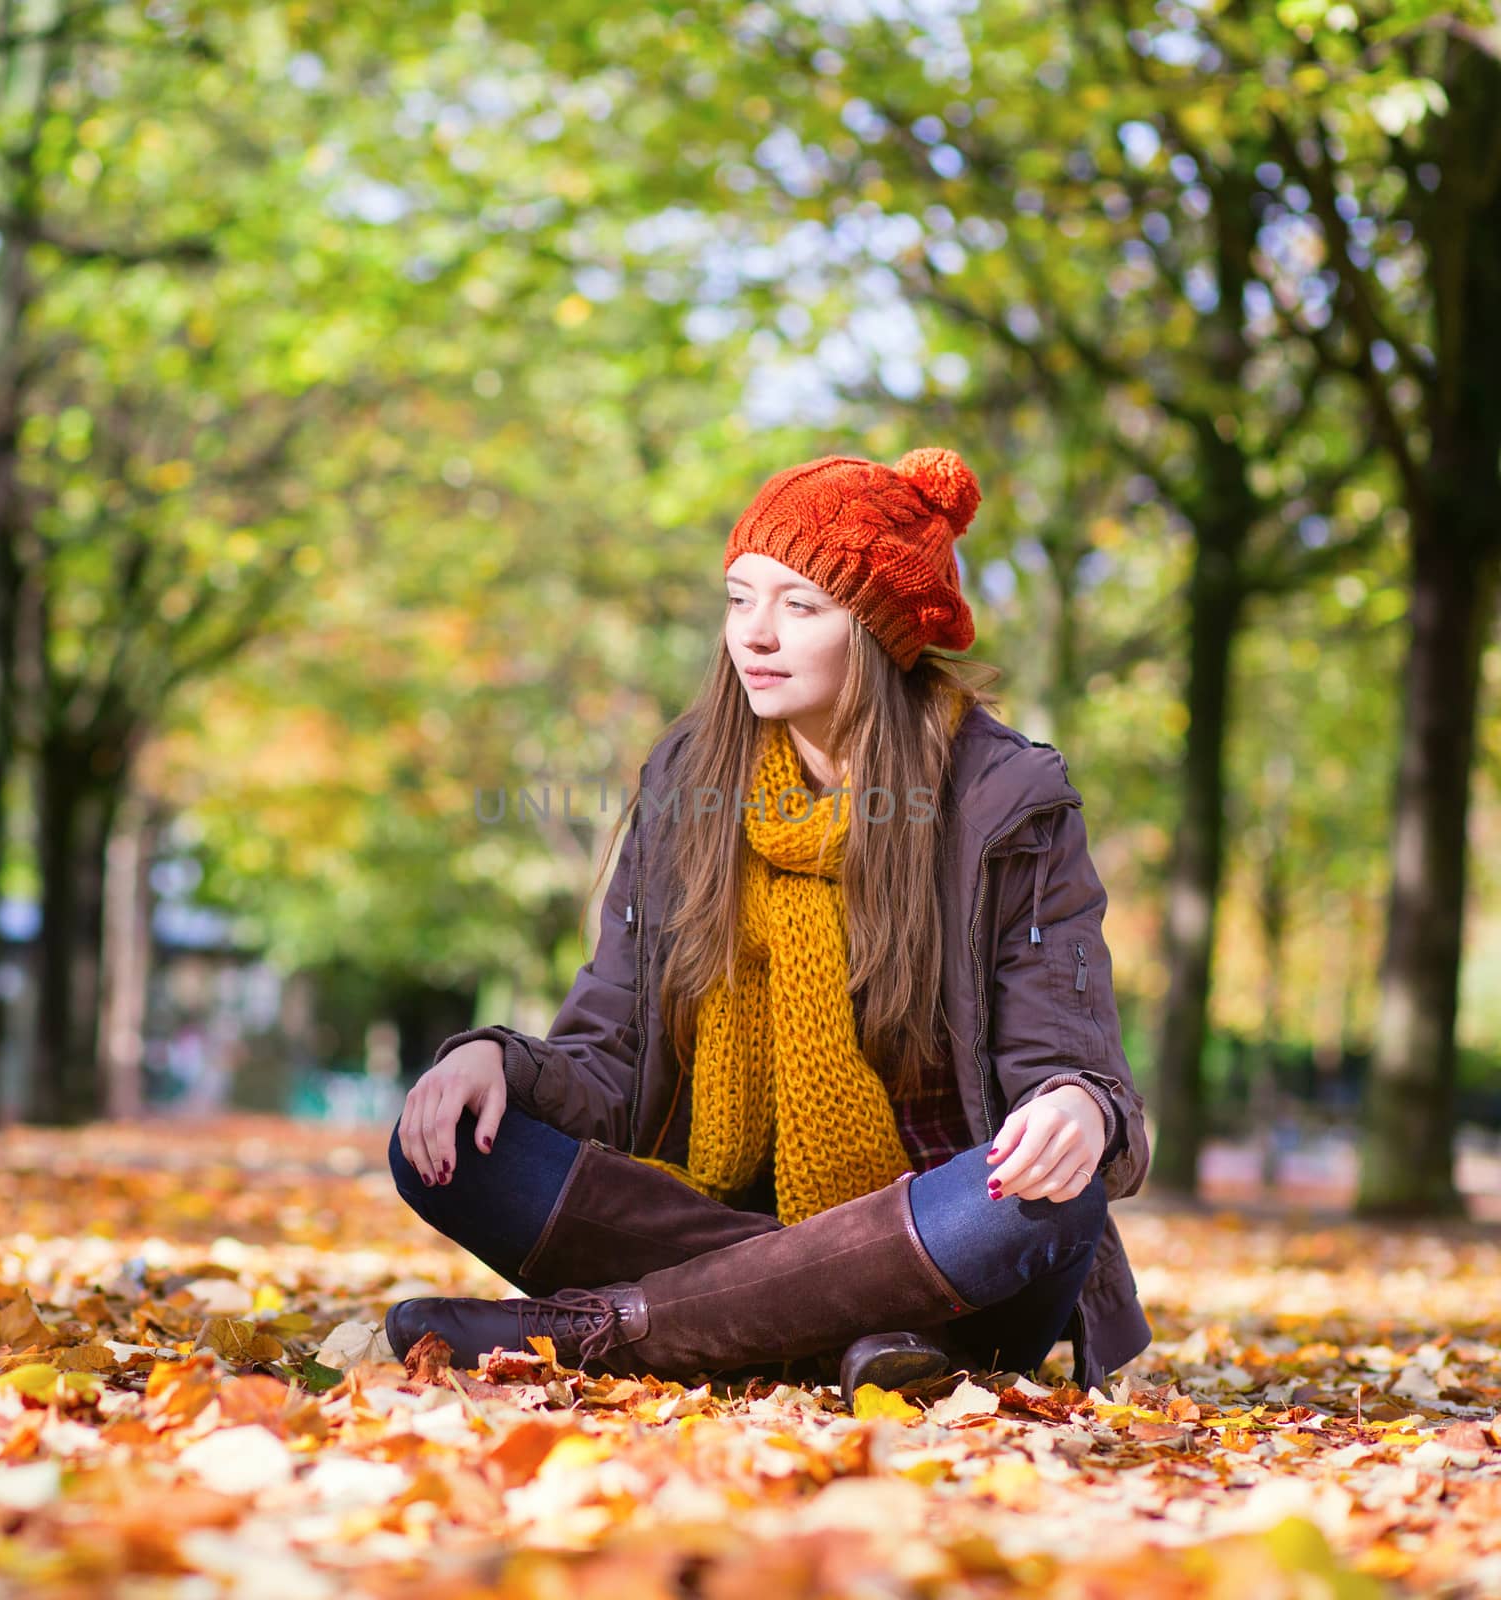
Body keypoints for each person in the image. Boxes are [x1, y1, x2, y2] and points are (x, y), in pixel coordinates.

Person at [385, 447, 1152, 1405]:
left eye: (801, 606)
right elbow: (609, 1055)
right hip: (723, 1213)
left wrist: (1079, 1109)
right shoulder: (687, 784)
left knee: (1048, 1198)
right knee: (452, 1149)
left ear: (877, 631)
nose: (756, 634)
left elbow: (1068, 1062)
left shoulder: (1004, 801)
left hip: (947, 1246)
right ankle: (856, 1335)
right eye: (740, 597)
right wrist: (497, 1061)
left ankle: (604, 1329)